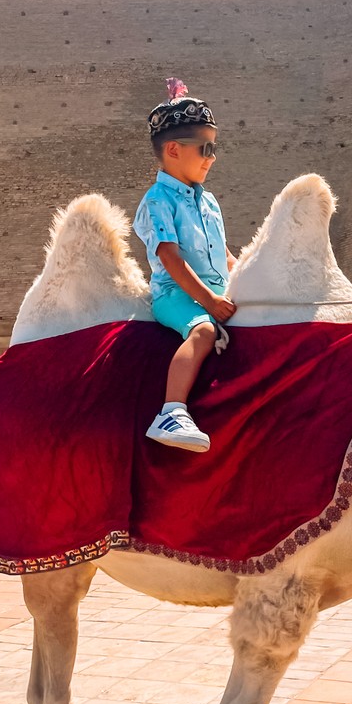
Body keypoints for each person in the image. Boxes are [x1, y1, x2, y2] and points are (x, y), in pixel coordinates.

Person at [133, 78, 237, 453]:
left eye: (215, 147)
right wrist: (209, 302)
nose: (213, 156)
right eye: (205, 148)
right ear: (174, 149)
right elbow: (171, 260)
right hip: (175, 295)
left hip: (215, 292)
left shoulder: (209, 201)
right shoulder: (157, 200)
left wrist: (243, 281)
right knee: (203, 332)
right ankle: (171, 412)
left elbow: (224, 253)